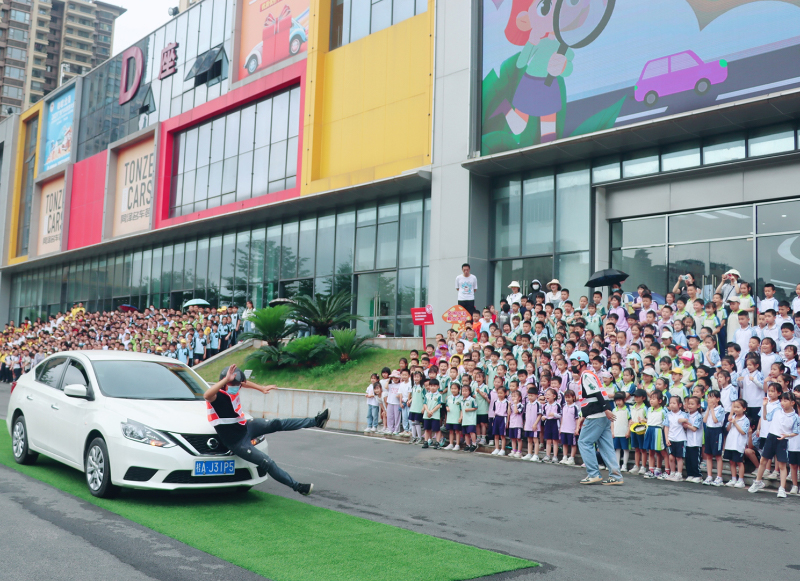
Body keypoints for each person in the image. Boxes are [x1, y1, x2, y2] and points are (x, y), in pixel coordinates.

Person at [204, 365, 329, 496]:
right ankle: (298, 487)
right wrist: (226, 379)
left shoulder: (234, 388)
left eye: (237, 384)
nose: (236, 387)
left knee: (277, 423)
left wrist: (261, 388)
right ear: (223, 383)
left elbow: (244, 383)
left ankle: (316, 421)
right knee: (267, 463)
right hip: (237, 442)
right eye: (232, 383)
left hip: (245, 427)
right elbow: (207, 395)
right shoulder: (216, 397)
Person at [572, 351, 623, 485]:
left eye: (574, 363)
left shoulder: (586, 375)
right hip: (600, 415)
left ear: (581, 363)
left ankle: (593, 473)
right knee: (606, 446)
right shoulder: (589, 375)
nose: (572, 366)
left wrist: (606, 408)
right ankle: (616, 476)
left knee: (584, 442)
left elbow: (596, 393)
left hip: (596, 415)